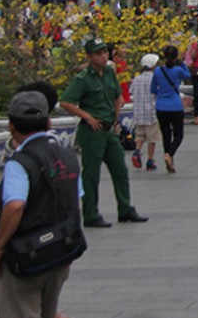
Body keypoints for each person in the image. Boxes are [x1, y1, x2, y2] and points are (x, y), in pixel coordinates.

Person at [0, 91, 84, 318]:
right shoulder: (67, 157)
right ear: (49, 122)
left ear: (11, 126)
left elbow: (15, 205)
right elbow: (77, 198)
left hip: (25, 256)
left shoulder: (20, 162)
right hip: (60, 253)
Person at [59, 39, 148, 228]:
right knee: (92, 174)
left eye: (105, 52)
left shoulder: (109, 72)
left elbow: (118, 96)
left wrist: (116, 118)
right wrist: (87, 117)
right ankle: (91, 214)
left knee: (121, 171)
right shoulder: (83, 78)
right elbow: (66, 102)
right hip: (92, 131)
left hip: (109, 129)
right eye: (98, 53)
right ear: (89, 56)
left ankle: (125, 209)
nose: (103, 56)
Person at [150, 46, 190, 174]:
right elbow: (188, 75)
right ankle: (169, 155)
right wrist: (182, 62)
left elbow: (152, 89)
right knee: (178, 135)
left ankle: (169, 160)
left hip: (161, 106)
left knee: (166, 135)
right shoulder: (178, 70)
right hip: (175, 105)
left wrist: (161, 93)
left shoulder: (157, 71)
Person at [129, 54, 160, 172]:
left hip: (138, 112)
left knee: (140, 135)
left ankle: (137, 151)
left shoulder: (137, 79)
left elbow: (131, 91)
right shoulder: (154, 78)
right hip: (151, 113)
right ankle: (150, 160)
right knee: (152, 138)